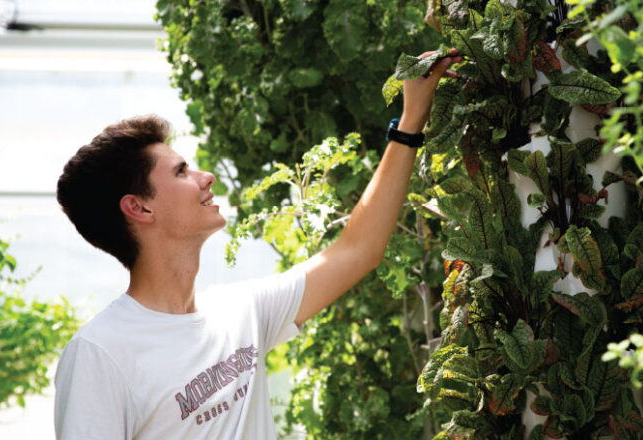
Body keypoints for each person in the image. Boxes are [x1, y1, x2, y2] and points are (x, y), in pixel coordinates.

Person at [53, 49, 462, 439]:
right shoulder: (99, 353)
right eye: (181, 172)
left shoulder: (240, 312)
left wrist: (410, 124)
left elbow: (358, 250)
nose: (206, 176)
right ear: (139, 208)